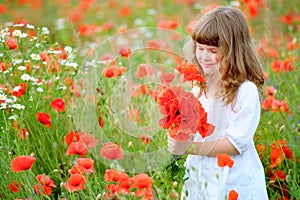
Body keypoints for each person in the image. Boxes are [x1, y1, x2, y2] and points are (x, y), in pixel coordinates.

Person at [167, 6, 269, 200]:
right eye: (200, 48)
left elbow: (235, 143)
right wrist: (177, 132)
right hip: (201, 175)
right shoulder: (199, 87)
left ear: (234, 52)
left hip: (234, 177)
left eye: (213, 51)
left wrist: (189, 148)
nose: (204, 56)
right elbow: (192, 129)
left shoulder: (245, 91)